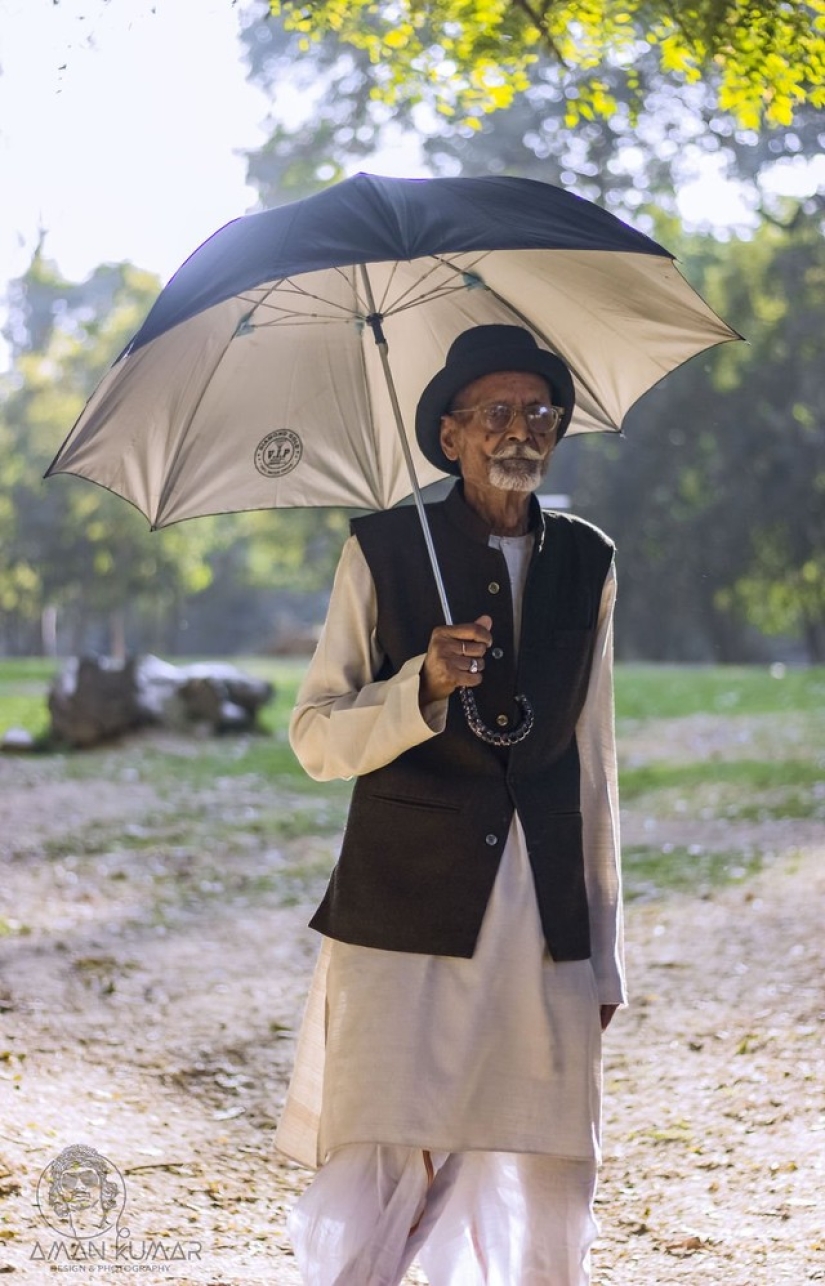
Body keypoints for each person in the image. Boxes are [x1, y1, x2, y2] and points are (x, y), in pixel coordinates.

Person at [275, 324, 626, 1286]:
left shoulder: (587, 561)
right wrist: (418, 688)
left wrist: (604, 953)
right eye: (497, 413)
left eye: (540, 413)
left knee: (544, 1138)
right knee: (392, 1130)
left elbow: (591, 757)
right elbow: (313, 735)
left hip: (540, 902)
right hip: (403, 901)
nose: (522, 430)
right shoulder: (384, 550)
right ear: (449, 437)